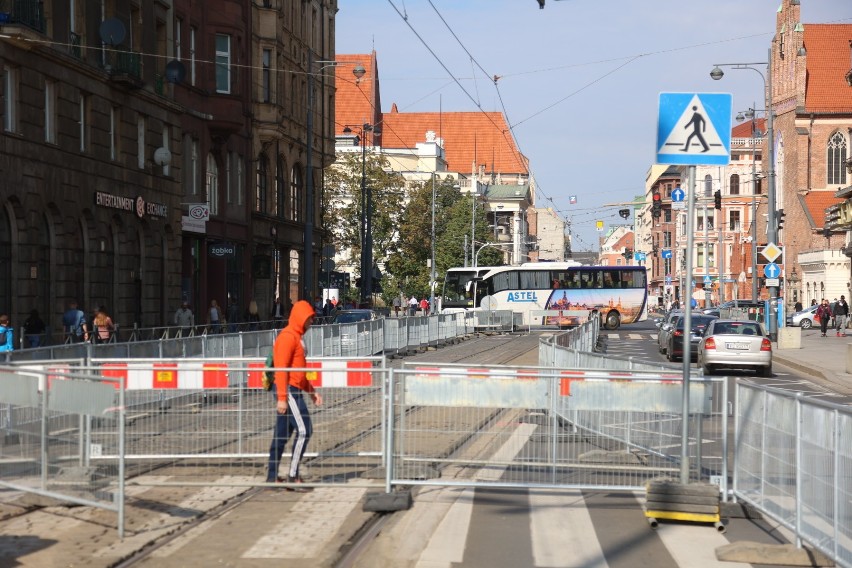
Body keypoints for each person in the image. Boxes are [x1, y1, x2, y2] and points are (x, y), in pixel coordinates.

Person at [266, 300, 322, 490]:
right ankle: (292, 475)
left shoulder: (298, 337)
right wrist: (282, 398)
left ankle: (272, 477)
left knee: (281, 435)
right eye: (309, 318)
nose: (312, 322)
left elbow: (299, 371)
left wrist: (312, 391)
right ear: (301, 318)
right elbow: (281, 369)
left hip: (293, 390)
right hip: (288, 391)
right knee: (305, 430)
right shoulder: (288, 337)